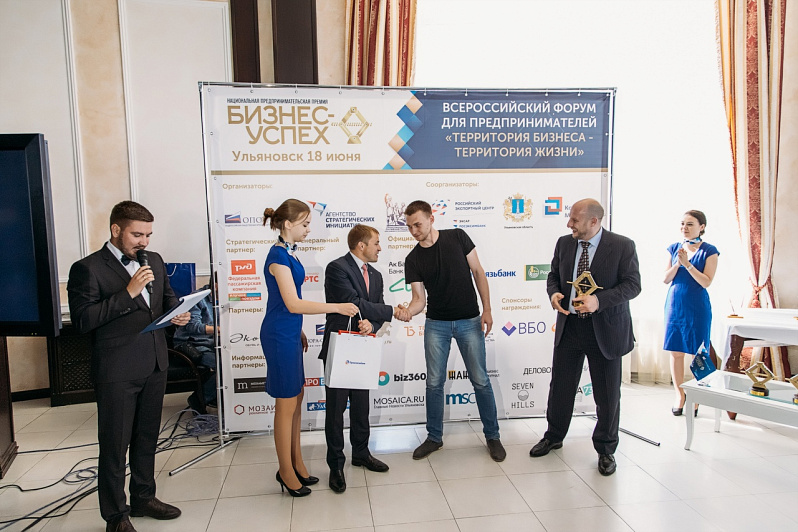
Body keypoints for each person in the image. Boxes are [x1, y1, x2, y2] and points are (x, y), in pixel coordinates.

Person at [67, 201, 190, 532]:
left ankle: (143, 498)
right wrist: (128, 292)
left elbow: (165, 300)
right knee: (114, 445)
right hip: (117, 370)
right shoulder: (88, 268)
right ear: (116, 230)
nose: (144, 242)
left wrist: (178, 313)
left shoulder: (155, 260)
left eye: (148, 235)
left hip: (155, 363)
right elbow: (83, 320)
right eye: (137, 235)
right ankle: (116, 516)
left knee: (147, 437)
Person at [530, 198, 641, 477]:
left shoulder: (622, 246)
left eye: (575, 220)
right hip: (570, 327)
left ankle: (606, 449)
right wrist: (554, 294)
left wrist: (598, 301)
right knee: (561, 387)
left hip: (606, 330)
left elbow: (633, 285)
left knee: (607, 394)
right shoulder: (564, 244)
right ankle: (554, 436)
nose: (569, 224)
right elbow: (553, 276)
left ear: (594, 221)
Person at [260, 199, 359, 497]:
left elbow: (286, 302)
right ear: (288, 224)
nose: (308, 229)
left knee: (297, 397)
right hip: (279, 334)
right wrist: (337, 306)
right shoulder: (277, 257)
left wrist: (299, 329)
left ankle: (297, 463)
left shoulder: (289, 252)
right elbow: (292, 303)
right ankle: (285, 471)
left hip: (289, 332)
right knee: (286, 403)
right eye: (304, 224)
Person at [400, 200, 505, 462]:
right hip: (436, 324)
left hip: (470, 320)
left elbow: (478, 272)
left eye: (417, 225)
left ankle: (492, 436)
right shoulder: (412, 259)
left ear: (431, 219)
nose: (413, 231)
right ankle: (434, 437)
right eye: (409, 227)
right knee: (434, 383)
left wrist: (487, 309)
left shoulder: (458, 237)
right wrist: (408, 312)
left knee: (480, 380)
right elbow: (419, 300)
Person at [319, 224, 406, 492]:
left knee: (361, 407)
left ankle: (361, 454)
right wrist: (392, 311)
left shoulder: (376, 275)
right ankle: (336, 465)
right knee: (335, 410)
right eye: (376, 243)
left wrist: (373, 324)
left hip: (364, 348)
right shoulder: (337, 268)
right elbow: (353, 303)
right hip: (340, 348)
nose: (380, 248)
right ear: (361, 245)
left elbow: (373, 310)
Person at [663, 210, 719, 416]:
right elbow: (666, 278)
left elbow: (706, 282)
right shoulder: (674, 248)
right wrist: (678, 263)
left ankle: (697, 396)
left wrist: (688, 265)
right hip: (675, 305)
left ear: (701, 227)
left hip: (697, 307)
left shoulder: (710, 251)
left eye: (690, 224)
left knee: (699, 352)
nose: (684, 228)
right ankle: (679, 395)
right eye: (682, 224)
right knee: (675, 351)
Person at [172, 285, 217, 413]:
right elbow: (193, 326)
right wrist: (219, 329)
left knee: (235, 363)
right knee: (222, 365)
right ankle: (199, 398)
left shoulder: (230, 298)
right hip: (192, 343)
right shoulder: (198, 298)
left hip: (213, 343)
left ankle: (213, 396)